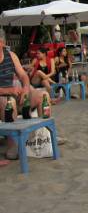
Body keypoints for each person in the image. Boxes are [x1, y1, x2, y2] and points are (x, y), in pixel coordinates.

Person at [0, 30, 49, 161]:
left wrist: (26, 88)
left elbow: (23, 75)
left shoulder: (11, 55)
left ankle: (46, 136)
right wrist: (7, 91)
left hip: (14, 93)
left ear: (2, 43)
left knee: (43, 95)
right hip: (3, 96)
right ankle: (12, 144)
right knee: (7, 102)